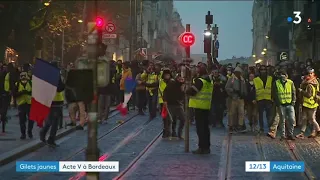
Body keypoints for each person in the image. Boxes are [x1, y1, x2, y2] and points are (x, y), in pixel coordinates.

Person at [186, 63, 213, 154]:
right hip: (206, 106)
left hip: (199, 106)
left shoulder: (200, 81)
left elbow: (192, 91)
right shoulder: (209, 80)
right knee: (205, 128)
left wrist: (186, 89)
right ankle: (207, 147)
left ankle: (201, 147)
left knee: (200, 129)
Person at [40, 62, 65, 147]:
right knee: (55, 122)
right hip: (56, 101)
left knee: (50, 120)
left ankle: (43, 133)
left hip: (48, 101)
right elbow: (60, 88)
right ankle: (51, 139)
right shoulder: (56, 76)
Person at [296, 68, 320, 138]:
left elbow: (309, 94)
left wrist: (301, 91)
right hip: (306, 103)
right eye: (308, 73)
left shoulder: (313, 82)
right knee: (304, 118)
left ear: (313, 74)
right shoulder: (305, 81)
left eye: (311, 73)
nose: (309, 75)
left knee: (312, 118)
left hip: (312, 103)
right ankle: (302, 133)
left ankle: (317, 131)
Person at [273, 70, 296, 140]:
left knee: (292, 119)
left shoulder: (290, 82)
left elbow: (293, 92)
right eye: (282, 75)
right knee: (282, 120)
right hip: (281, 104)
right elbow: (275, 94)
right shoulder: (276, 83)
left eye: (284, 75)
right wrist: (278, 104)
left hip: (290, 104)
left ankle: (290, 134)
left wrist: (293, 102)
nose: (283, 76)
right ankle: (283, 135)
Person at [163, 73, 186, 139]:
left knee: (183, 119)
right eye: (179, 78)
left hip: (179, 104)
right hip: (170, 104)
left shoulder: (183, 85)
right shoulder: (172, 83)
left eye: (182, 79)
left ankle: (179, 133)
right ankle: (168, 133)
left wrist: (182, 90)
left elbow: (184, 95)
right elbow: (165, 91)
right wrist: (165, 100)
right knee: (170, 119)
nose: (181, 80)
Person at [225, 66, 247, 133]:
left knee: (241, 113)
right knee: (232, 113)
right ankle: (231, 126)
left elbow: (244, 89)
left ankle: (240, 125)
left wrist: (244, 94)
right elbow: (227, 88)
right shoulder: (231, 79)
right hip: (233, 98)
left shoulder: (242, 80)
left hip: (241, 98)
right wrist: (233, 91)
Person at [253, 65, 273, 132]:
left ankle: (269, 126)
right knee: (260, 114)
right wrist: (254, 98)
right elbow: (254, 90)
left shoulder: (270, 78)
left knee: (269, 114)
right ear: (259, 71)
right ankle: (261, 127)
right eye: (261, 70)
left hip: (268, 98)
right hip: (260, 99)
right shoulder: (256, 79)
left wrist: (272, 97)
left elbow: (273, 89)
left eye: (264, 69)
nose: (263, 71)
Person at [15, 72, 33, 139]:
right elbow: (14, 94)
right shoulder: (17, 84)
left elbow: (36, 92)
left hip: (30, 104)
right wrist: (21, 93)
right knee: (22, 120)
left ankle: (29, 131)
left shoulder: (31, 83)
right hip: (21, 104)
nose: (23, 78)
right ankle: (23, 134)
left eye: (24, 76)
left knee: (31, 119)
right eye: (22, 77)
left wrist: (28, 93)